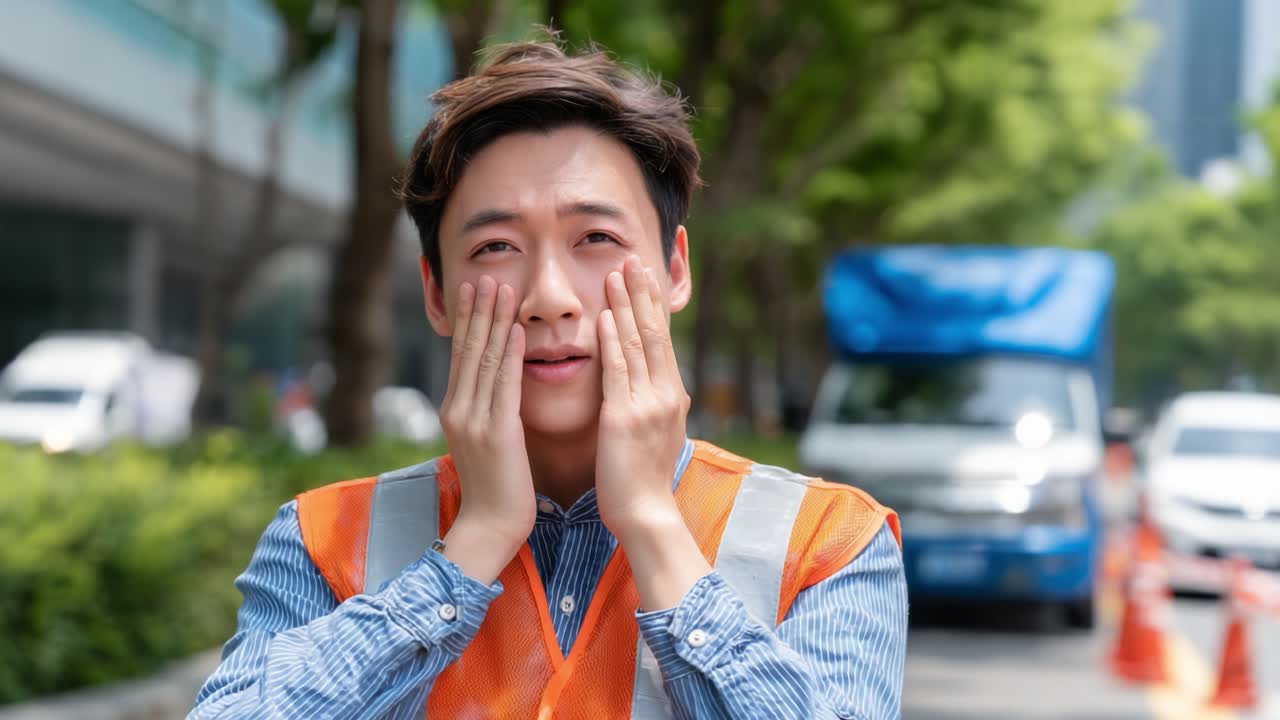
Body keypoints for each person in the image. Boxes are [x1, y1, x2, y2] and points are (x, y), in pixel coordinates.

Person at [190, 36, 907, 720]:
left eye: (596, 238)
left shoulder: (829, 542)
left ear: (675, 269)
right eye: (496, 246)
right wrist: (475, 542)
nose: (549, 296)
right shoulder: (323, 540)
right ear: (436, 295)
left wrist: (654, 526)